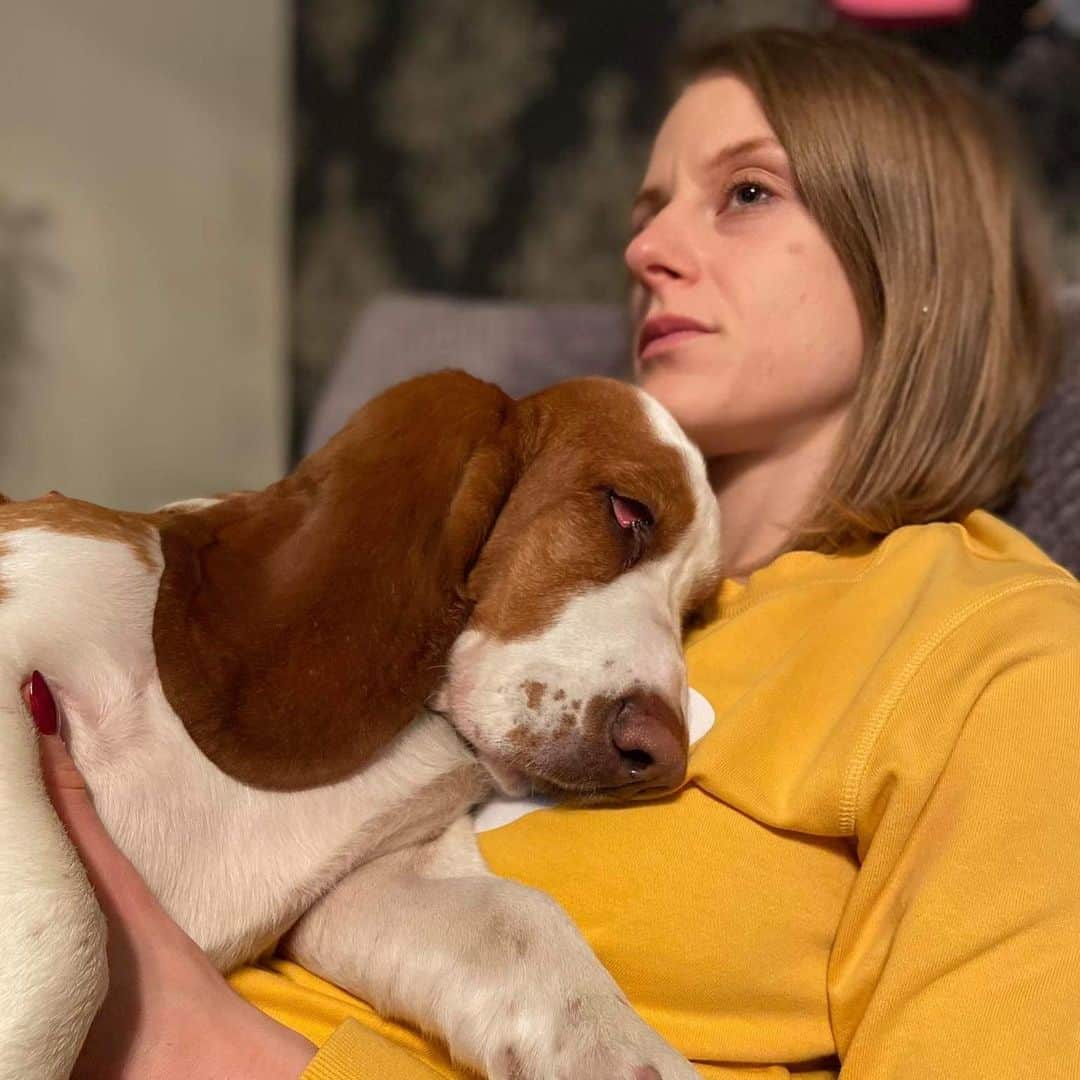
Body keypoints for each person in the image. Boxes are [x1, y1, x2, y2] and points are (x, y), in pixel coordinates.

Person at [30, 26, 1080, 1079]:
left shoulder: (997, 653)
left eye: (747, 193)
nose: (647, 249)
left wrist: (186, 1040)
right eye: (648, 207)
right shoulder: (487, 545)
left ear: (916, 256)